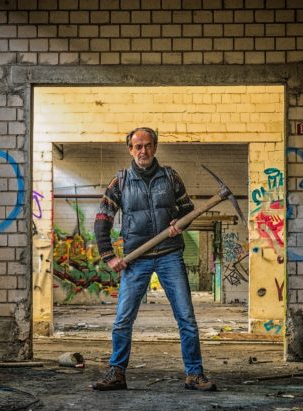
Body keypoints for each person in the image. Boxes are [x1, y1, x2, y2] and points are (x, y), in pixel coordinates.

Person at [92, 127, 216, 392]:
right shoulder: (121, 181)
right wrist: (109, 256)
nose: (143, 151)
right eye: (137, 146)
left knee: (186, 318)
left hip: (170, 254)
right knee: (123, 320)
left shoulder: (170, 177)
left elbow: (187, 210)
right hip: (137, 259)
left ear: (155, 147)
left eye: (147, 145)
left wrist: (179, 224)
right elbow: (102, 219)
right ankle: (117, 373)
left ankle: (194, 374)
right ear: (130, 150)